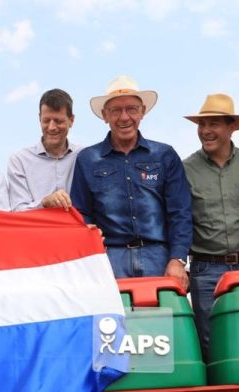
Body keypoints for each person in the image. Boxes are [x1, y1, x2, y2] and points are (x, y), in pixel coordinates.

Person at [70, 75, 192, 288]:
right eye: (116, 110)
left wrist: (178, 259)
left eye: (132, 109)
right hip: (110, 260)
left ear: (142, 112)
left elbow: (180, 212)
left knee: (163, 321)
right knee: (114, 321)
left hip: (159, 258)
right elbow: (81, 213)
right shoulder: (88, 159)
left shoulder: (164, 155)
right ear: (104, 115)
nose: (124, 117)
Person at [182, 94, 239, 357]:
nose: (205, 131)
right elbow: (179, 219)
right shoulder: (185, 169)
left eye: (213, 124)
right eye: (202, 125)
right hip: (205, 269)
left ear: (231, 127)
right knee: (209, 342)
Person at [7, 89, 81, 211]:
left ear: (71, 120)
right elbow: (18, 211)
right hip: (37, 229)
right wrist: (44, 202)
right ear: (39, 119)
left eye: (58, 121)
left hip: (75, 229)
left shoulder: (83, 156)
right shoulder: (19, 160)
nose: (51, 127)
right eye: (46, 121)